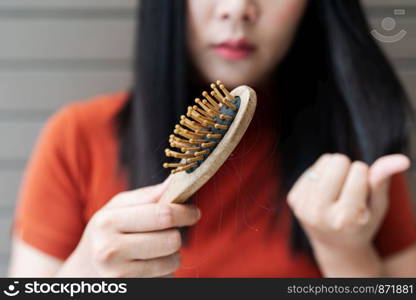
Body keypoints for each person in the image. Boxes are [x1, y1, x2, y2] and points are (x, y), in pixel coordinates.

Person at [8, 0, 416, 277]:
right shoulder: (77, 137)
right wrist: (85, 275)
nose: (237, 8)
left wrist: (346, 253)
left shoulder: (354, 160)